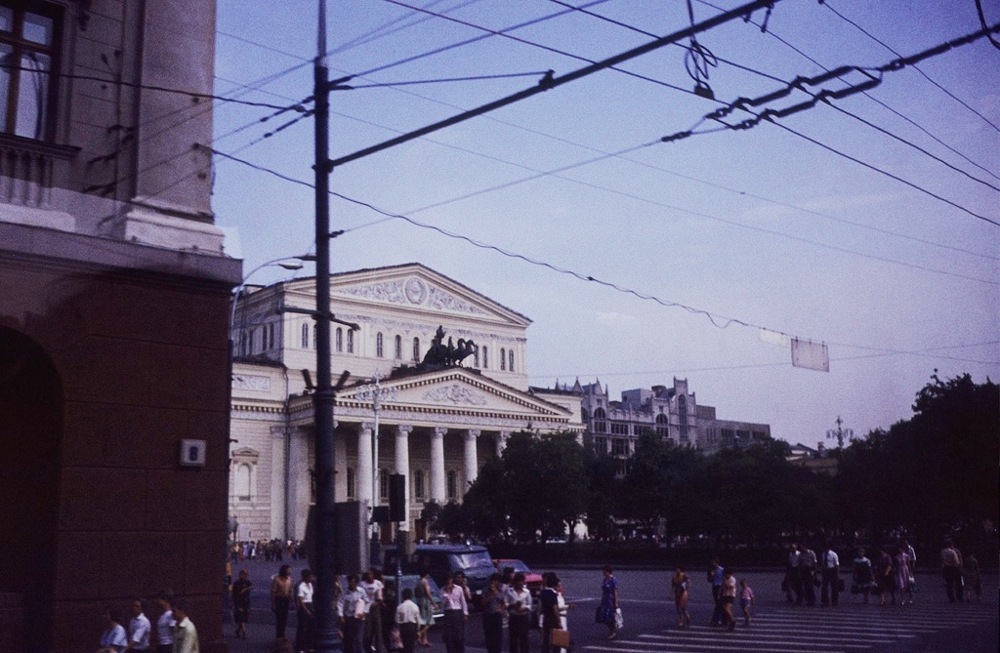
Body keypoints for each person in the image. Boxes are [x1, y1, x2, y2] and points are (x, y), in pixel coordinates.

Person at [337, 574, 368, 653]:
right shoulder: (345, 592)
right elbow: (340, 604)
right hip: (348, 617)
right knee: (349, 640)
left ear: (356, 583)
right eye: (350, 582)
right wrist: (341, 616)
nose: (351, 584)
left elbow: (367, 602)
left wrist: (364, 612)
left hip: (358, 618)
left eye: (353, 582)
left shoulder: (361, 591)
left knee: (358, 640)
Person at [440, 573, 469, 653]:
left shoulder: (458, 589)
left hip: (457, 612)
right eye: (447, 580)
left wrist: (465, 613)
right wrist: (447, 593)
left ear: (452, 580)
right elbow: (443, 604)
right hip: (448, 612)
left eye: (450, 579)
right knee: (449, 637)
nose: (449, 582)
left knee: (459, 637)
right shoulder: (442, 590)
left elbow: (463, 601)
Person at [360, 568, 386, 653]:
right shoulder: (362, 584)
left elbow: (381, 593)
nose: (369, 576)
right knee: (367, 633)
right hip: (367, 609)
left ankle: (380, 650)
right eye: (368, 574)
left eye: (371, 574)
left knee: (378, 631)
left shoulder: (377, 583)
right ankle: (368, 648)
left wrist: (378, 603)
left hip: (376, 608)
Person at [505, 572, 532, 653]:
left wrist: (523, 609)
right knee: (513, 639)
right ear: (515, 582)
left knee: (524, 638)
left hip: (523, 617)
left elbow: (529, 604)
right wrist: (513, 605)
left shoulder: (526, 592)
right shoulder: (509, 591)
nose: (520, 583)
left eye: (522, 581)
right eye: (518, 581)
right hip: (514, 617)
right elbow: (505, 603)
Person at [481, 573, 506, 653]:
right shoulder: (485, 590)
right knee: (489, 636)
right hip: (488, 615)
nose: (494, 583)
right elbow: (483, 602)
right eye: (493, 581)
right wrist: (491, 593)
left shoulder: (501, 590)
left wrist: (501, 609)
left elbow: (504, 602)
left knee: (498, 636)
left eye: (496, 581)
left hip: (497, 614)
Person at [539, 573, 561, 653]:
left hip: (546, 616)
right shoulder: (553, 593)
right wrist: (558, 620)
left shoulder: (543, 592)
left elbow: (541, 605)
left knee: (546, 637)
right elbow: (554, 607)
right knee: (556, 637)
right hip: (552, 617)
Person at [295, 569, 316, 652]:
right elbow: (301, 600)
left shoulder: (310, 585)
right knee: (302, 627)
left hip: (310, 604)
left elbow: (311, 594)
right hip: (304, 606)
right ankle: (300, 647)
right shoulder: (301, 586)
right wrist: (306, 610)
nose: (311, 578)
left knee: (311, 627)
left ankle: (309, 645)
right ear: (305, 577)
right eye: (310, 577)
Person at [415, 570, 436, 647]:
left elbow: (416, 592)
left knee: (423, 620)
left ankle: (425, 640)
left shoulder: (418, 581)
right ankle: (420, 634)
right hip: (425, 601)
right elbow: (427, 593)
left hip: (419, 601)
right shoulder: (425, 581)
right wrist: (433, 603)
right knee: (430, 621)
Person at [597, 565, 619, 639]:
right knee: (603, 617)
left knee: (609, 616)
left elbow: (615, 592)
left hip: (610, 599)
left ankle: (613, 632)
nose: (603, 573)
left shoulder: (613, 580)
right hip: (605, 599)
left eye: (604, 571)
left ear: (608, 571)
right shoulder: (605, 580)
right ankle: (611, 630)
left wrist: (616, 602)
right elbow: (603, 590)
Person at [396, 588, 421, 653]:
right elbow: (417, 619)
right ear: (411, 596)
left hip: (403, 627)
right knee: (411, 646)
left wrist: (398, 631)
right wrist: (418, 630)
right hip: (412, 627)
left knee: (403, 646)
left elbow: (397, 620)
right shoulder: (415, 606)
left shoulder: (400, 607)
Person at [272, 564, 294, 639]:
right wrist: (273, 604)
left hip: (286, 599)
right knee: (279, 618)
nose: (290, 572)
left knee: (284, 618)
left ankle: (282, 634)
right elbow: (273, 592)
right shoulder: (277, 579)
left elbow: (290, 591)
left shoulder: (289, 579)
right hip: (279, 599)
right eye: (288, 570)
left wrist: (292, 601)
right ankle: (279, 636)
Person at [231, 569, 253, 639]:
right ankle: (244, 632)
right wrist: (232, 602)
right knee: (241, 616)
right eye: (243, 575)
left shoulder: (247, 582)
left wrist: (245, 589)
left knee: (245, 616)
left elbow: (252, 586)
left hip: (246, 601)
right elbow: (233, 594)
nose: (245, 576)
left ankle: (238, 630)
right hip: (239, 601)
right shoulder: (236, 583)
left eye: (246, 575)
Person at [707, 559, 724, 625]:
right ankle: (722, 619)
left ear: (716, 562)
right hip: (715, 586)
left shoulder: (722, 569)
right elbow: (709, 580)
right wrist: (712, 575)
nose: (712, 564)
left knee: (719, 603)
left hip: (721, 586)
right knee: (718, 603)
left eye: (713, 562)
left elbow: (724, 578)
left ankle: (716, 619)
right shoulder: (710, 570)